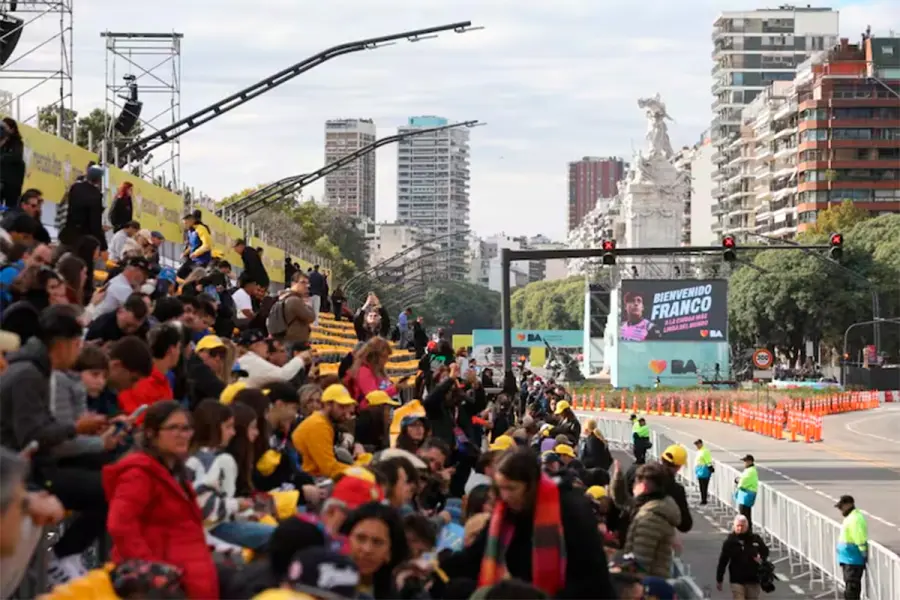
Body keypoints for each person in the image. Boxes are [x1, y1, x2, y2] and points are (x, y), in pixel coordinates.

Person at [440, 447, 616, 599]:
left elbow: (592, 578)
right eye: (500, 488)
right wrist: (438, 570)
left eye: (511, 488)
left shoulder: (570, 511)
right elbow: (476, 555)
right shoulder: (505, 514)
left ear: (530, 486)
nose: (505, 496)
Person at [104, 401, 219, 599]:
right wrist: (150, 569)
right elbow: (119, 525)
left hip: (188, 570)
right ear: (151, 433)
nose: (182, 435)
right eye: (173, 428)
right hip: (166, 581)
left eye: (186, 429)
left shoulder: (174, 472)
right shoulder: (139, 474)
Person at [624, 462, 680, 577]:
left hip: (646, 581)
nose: (633, 486)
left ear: (643, 486)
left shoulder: (649, 518)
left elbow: (641, 561)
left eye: (635, 482)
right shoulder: (656, 508)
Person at [292, 383, 357, 479]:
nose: (346, 413)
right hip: (313, 479)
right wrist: (360, 471)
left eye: (347, 407)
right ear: (328, 404)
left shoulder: (323, 423)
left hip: (316, 476)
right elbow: (329, 469)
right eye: (341, 406)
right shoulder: (318, 425)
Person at [716, 514, 769, 600]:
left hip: (753, 579)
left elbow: (765, 551)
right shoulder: (730, 542)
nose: (740, 528)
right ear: (734, 526)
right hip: (737, 579)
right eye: (738, 526)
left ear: (747, 527)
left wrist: (761, 558)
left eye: (742, 526)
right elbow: (723, 561)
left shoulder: (755, 539)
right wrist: (719, 579)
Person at [59, 165, 107, 254]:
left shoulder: (75, 187)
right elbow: (95, 222)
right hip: (83, 240)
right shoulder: (96, 195)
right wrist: (103, 245)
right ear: (99, 179)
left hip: (68, 233)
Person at [835, 495, 868, 600]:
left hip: (853, 559)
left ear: (848, 505)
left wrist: (863, 552)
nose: (840, 510)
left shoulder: (855, 519)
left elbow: (859, 537)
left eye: (841, 507)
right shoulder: (850, 517)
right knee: (850, 586)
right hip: (848, 558)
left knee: (852, 588)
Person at [0, 118, 25, 209]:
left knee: (11, 208)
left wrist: (3, 157)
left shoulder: (17, 143)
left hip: (12, 183)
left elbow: (16, 157)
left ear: (12, 129)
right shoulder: (2, 142)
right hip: (2, 180)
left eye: (5, 128)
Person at [736, 454, 758, 532]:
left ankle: (746, 531)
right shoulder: (749, 470)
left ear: (750, 461)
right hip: (745, 495)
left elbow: (743, 482)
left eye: (746, 461)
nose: (744, 463)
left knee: (744, 515)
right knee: (746, 514)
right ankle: (747, 531)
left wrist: (738, 481)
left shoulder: (751, 471)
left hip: (746, 495)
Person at [694, 438, 713, 505]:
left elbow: (708, 460)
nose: (697, 445)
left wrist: (710, 468)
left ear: (701, 444)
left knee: (704, 486)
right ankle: (703, 499)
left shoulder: (705, 451)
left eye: (698, 444)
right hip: (700, 470)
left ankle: (704, 500)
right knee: (701, 486)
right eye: (696, 444)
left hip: (704, 470)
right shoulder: (699, 451)